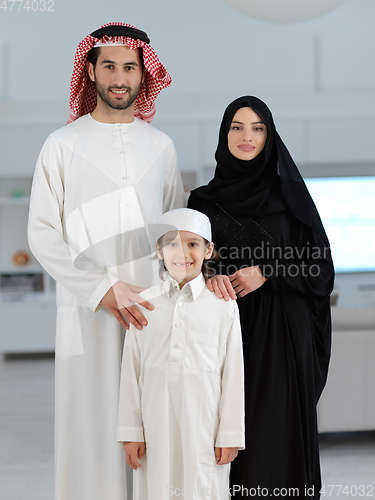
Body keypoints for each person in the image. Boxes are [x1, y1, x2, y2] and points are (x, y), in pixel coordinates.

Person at [27, 23, 185, 500]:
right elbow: (41, 233)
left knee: (155, 424)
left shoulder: (161, 146)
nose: (120, 77)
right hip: (87, 312)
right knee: (91, 425)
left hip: (152, 312)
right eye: (110, 66)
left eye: (130, 68)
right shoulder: (61, 144)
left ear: (143, 76)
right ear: (91, 70)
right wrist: (101, 289)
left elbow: (175, 235)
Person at [188, 96, 334, 499]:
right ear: (224, 134)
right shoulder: (202, 202)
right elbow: (186, 261)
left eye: (257, 128)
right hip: (224, 333)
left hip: (284, 340)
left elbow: (321, 270)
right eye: (237, 127)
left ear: (269, 137)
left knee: (274, 443)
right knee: (228, 447)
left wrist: (266, 272)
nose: (246, 136)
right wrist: (208, 272)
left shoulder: (291, 198)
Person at [117, 208, 245, 500]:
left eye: (192, 244)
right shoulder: (143, 303)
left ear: (208, 249)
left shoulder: (222, 305)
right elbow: (131, 370)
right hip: (154, 423)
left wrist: (230, 435)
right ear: (159, 251)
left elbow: (233, 372)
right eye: (172, 243)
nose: (182, 253)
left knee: (204, 489)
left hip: (205, 427)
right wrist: (130, 431)